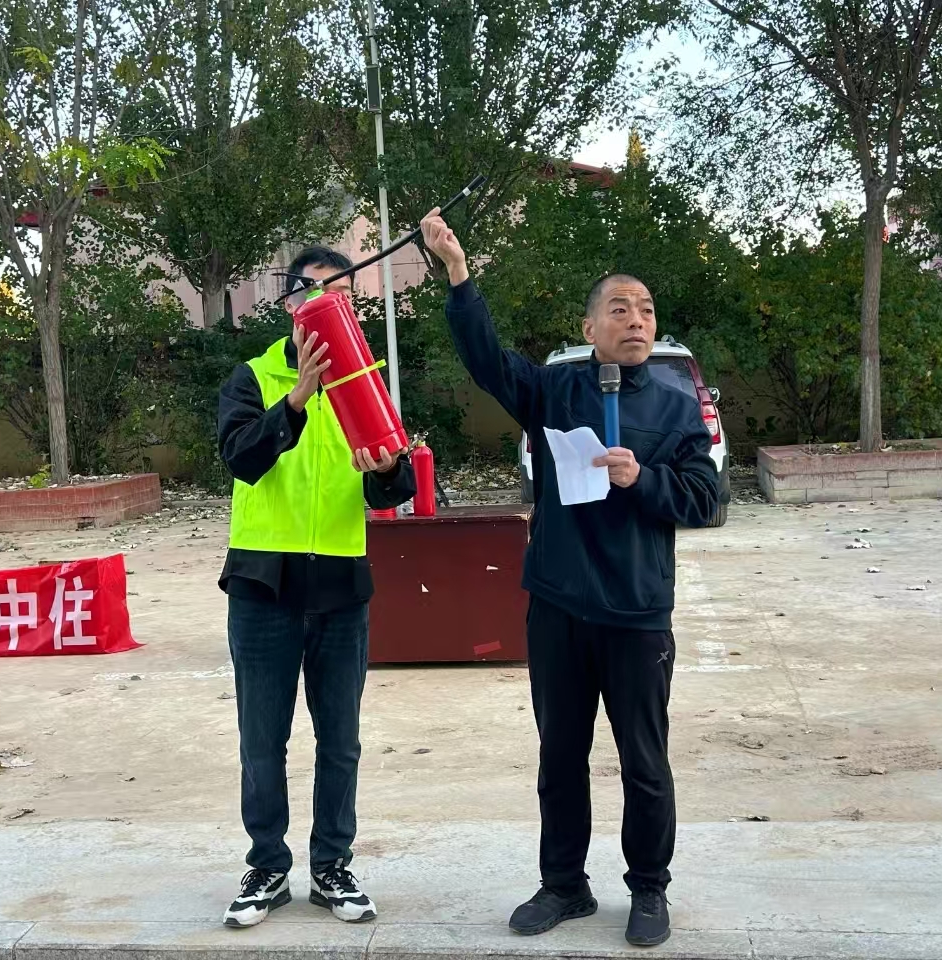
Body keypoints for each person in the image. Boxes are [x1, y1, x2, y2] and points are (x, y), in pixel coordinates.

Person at [420, 211, 719, 947]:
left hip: (636, 612)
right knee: (560, 757)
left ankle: (649, 888)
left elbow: (706, 501)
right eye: (619, 308)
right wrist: (458, 275)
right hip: (558, 605)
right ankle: (563, 885)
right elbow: (488, 361)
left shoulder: (677, 406)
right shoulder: (554, 390)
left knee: (644, 762)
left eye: (645, 309)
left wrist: (644, 479)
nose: (635, 319)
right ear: (590, 328)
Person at [216, 245, 416, 928]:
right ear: (291, 303)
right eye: (314, 291)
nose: (328, 303)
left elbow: (394, 484)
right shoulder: (254, 376)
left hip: (339, 586)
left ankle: (332, 866)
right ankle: (267, 867)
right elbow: (241, 458)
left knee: (340, 742)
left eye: (342, 292)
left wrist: (386, 469)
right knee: (261, 741)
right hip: (263, 585)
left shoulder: (364, 381)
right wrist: (298, 397)